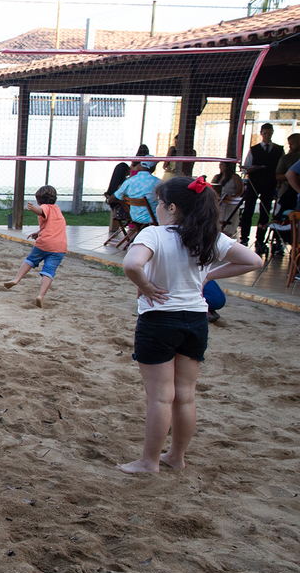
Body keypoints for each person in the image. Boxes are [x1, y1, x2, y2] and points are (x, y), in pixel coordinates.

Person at [117, 176, 263, 474]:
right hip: (196, 320)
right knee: (185, 395)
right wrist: (209, 276)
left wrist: (145, 285)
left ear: (171, 207)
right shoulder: (209, 236)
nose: (156, 208)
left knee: (160, 396)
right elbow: (254, 261)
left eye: (158, 203)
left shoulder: (154, 234)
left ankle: (149, 461)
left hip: (159, 320)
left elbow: (131, 265)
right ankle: (177, 456)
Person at [3, 185, 67, 308]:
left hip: (45, 244)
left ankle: (16, 279)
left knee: (31, 260)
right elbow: (53, 225)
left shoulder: (45, 207)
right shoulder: (57, 209)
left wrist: (33, 208)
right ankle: (41, 296)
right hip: (60, 247)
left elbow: (41, 211)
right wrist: (38, 233)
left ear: (38, 200)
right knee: (49, 272)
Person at [240, 122, 283, 253]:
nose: (267, 136)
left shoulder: (279, 150)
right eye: (265, 133)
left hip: (269, 183)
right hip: (255, 183)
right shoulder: (254, 149)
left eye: (269, 133)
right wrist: (252, 170)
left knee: (265, 211)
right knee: (248, 210)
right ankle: (244, 237)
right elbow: (246, 167)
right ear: (261, 134)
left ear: (272, 133)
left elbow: (281, 167)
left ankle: (260, 239)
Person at [210, 161, 244, 237]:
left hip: (230, 203)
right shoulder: (217, 177)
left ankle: (228, 233)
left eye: (222, 165)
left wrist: (233, 196)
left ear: (228, 166)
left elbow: (240, 190)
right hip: (219, 202)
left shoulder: (235, 177)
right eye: (219, 165)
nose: (220, 167)